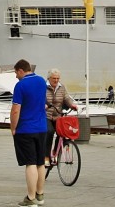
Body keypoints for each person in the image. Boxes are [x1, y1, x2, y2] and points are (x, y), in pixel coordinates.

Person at [11, 59, 47, 207]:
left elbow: (15, 110)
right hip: (42, 127)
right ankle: (40, 194)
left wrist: (13, 128)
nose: (15, 76)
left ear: (21, 70)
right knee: (40, 162)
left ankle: (30, 198)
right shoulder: (42, 81)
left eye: (15, 73)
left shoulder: (20, 85)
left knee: (30, 163)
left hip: (26, 128)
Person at [44, 68, 76, 167]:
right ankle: (45, 156)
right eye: (54, 78)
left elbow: (66, 98)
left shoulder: (62, 87)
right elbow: (40, 98)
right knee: (49, 131)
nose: (56, 80)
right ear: (49, 78)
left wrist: (72, 105)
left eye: (58, 78)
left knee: (62, 132)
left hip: (58, 115)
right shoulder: (43, 87)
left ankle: (55, 152)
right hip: (46, 115)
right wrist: (43, 105)